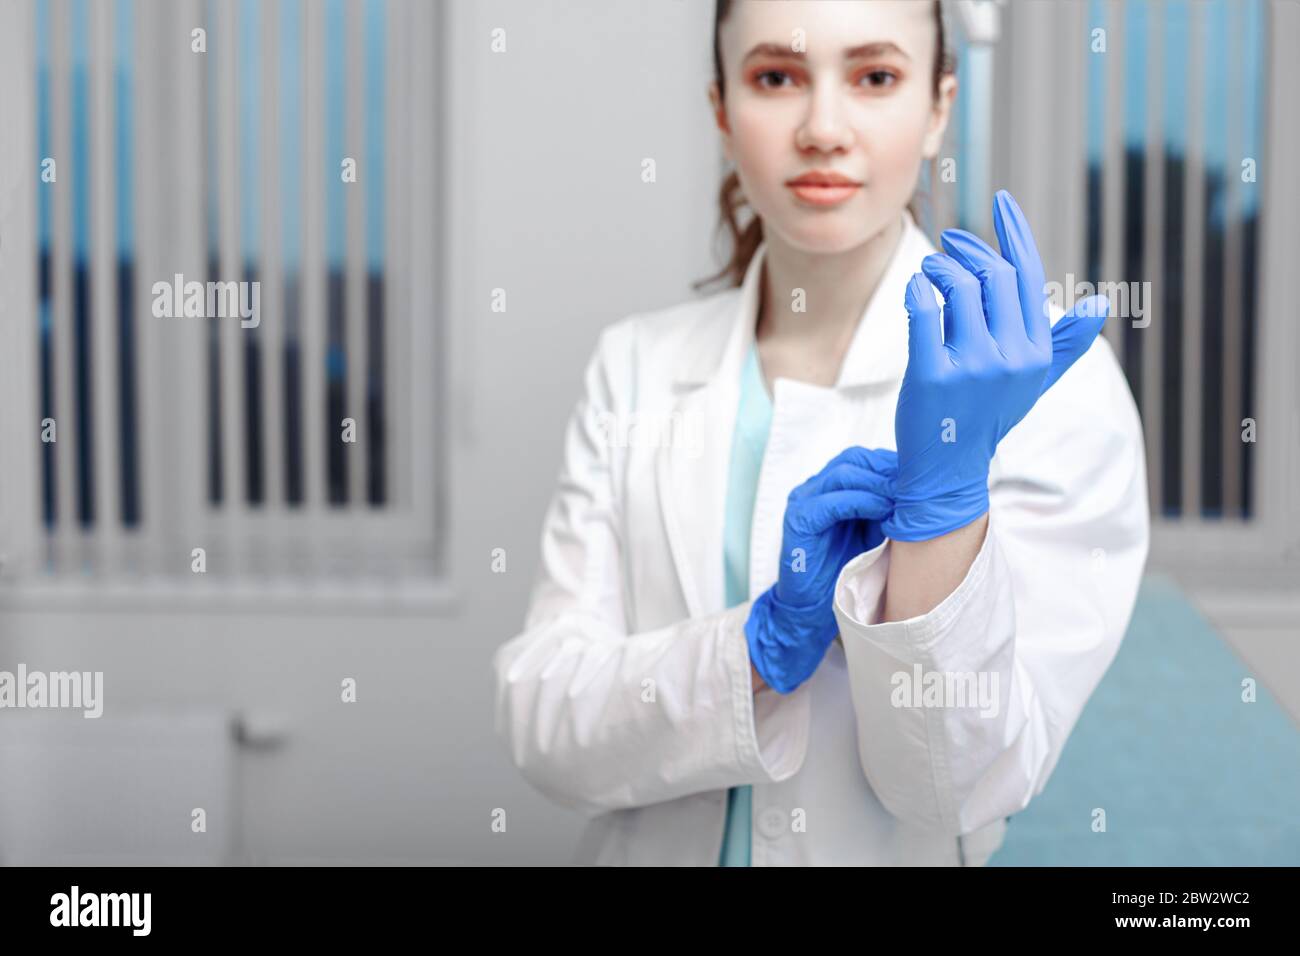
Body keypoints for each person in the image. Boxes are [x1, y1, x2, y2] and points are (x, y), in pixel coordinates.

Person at [492, 0, 1150, 866]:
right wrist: (758, 649)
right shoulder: (635, 367)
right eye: (776, 78)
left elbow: (964, 786)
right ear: (723, 110)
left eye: (875, 76)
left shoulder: (1049, 386)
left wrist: (945, 520)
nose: (823, 128)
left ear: (939, 106)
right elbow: (543, 725)